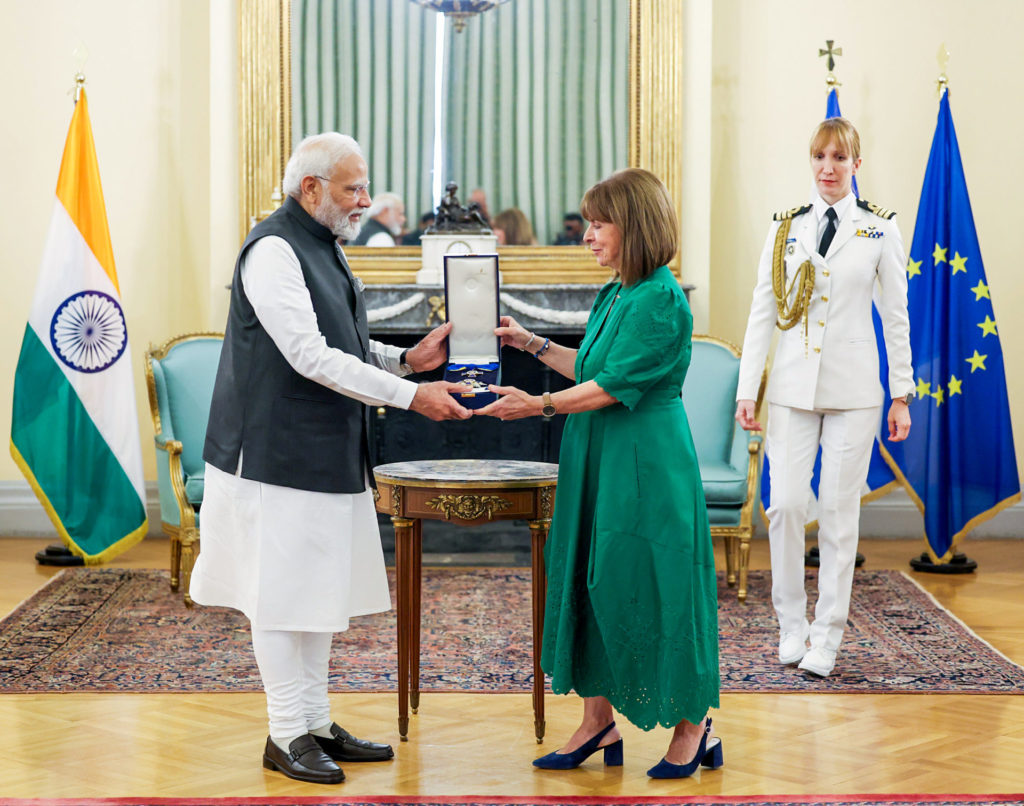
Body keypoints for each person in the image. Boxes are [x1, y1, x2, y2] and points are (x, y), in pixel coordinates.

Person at [190, 133, 472, 785]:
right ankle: (286, 732)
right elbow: (308, 356)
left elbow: (336, 339)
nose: (366, 200)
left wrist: (403, 359)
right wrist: (412, 395)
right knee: (279, 596)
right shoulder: (272, 249)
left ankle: (314, 722)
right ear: (310, 187)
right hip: (271, 457)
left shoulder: (320, 244)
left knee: (314, 592)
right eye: (352, 188)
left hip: (321, 452)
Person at [477, 168, 721, 779]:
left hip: (646, 466)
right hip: (599, 457)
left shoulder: (662, 298)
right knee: (592, 580)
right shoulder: (618, 292)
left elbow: (612, 388)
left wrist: (535, 405)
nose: (586, 234)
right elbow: (589, 366)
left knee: (659, 589)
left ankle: (694, 725)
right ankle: (597, 721)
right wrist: (530, 344)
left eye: (598, 222)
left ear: (633, 226)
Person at [734, 117, 913, 679]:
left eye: (839, 158)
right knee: (785, 505)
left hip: (856, 390)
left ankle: (828, 635)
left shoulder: (880, 230)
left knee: (838, 514)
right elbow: (764, 309)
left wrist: (902, 393)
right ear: (810, 163)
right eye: (819, 158)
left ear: (856, 164)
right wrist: (748, 388)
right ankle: (791, 623)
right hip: (790, 388)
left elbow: (895, 316)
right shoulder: (785, 227)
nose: (828, 168)